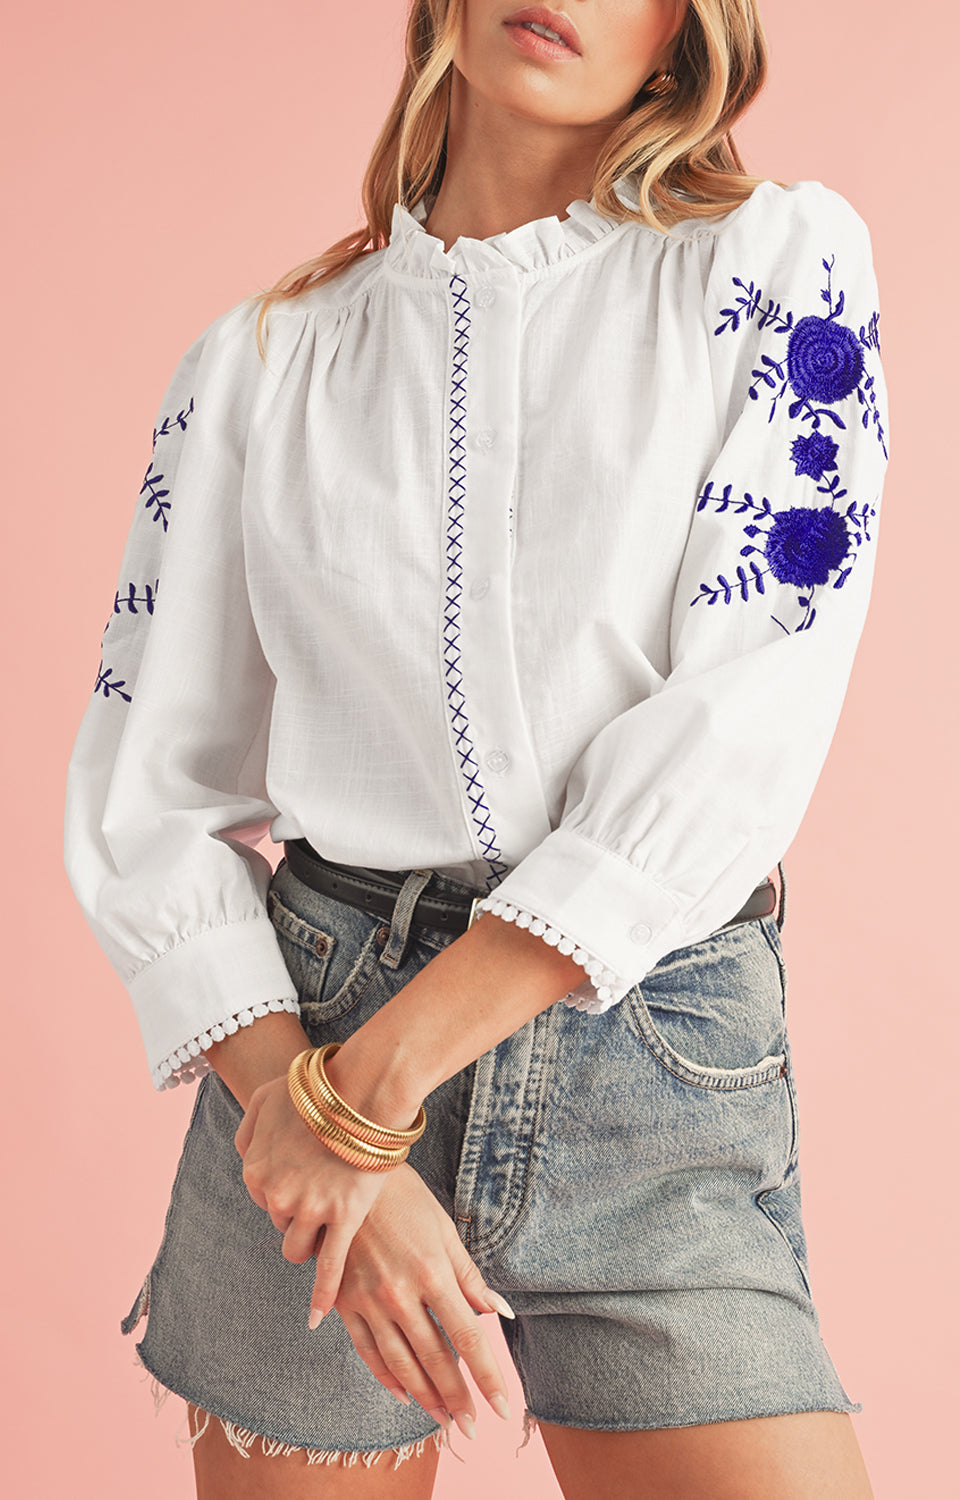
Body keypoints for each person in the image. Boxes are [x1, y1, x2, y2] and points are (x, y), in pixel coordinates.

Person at [64, 0, 888, 1494]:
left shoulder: (771, 265)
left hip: (639, 1052)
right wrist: (300, 1116)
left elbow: (745, 706)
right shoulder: (261, 358)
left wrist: (365, 1100)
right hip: (301, 1040)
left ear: (683, 35)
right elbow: (151, 793)